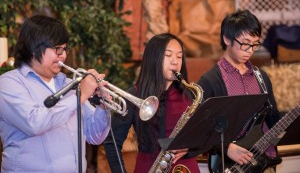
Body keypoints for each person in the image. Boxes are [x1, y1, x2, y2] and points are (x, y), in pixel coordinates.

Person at [0, 15, 111, 172]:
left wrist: (103, 106)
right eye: (57, 49)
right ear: (34, 48)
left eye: (64, 48)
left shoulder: (67, 84)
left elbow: (95, 136)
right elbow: (35, 123)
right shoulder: (9, 83)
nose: (63, 55)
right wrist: (80, 95)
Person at [197, 10, 281, 172]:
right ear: (227, 39)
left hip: (264, 162)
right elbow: (199, 128)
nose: (250, 50)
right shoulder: (210, 81)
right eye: (245, 43)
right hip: (231, 166)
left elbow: (273, 119)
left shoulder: (261, 77)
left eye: (255, 44)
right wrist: (226, 148)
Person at [103, 33, 201, 173]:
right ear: (154, 58)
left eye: (179, 56)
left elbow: (204, 136)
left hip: (186, 167)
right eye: (168, 55)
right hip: (149, 167)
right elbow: (112, 142)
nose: (175, 62)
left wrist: (190, 148)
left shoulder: (190, 94)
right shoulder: (134, 95)